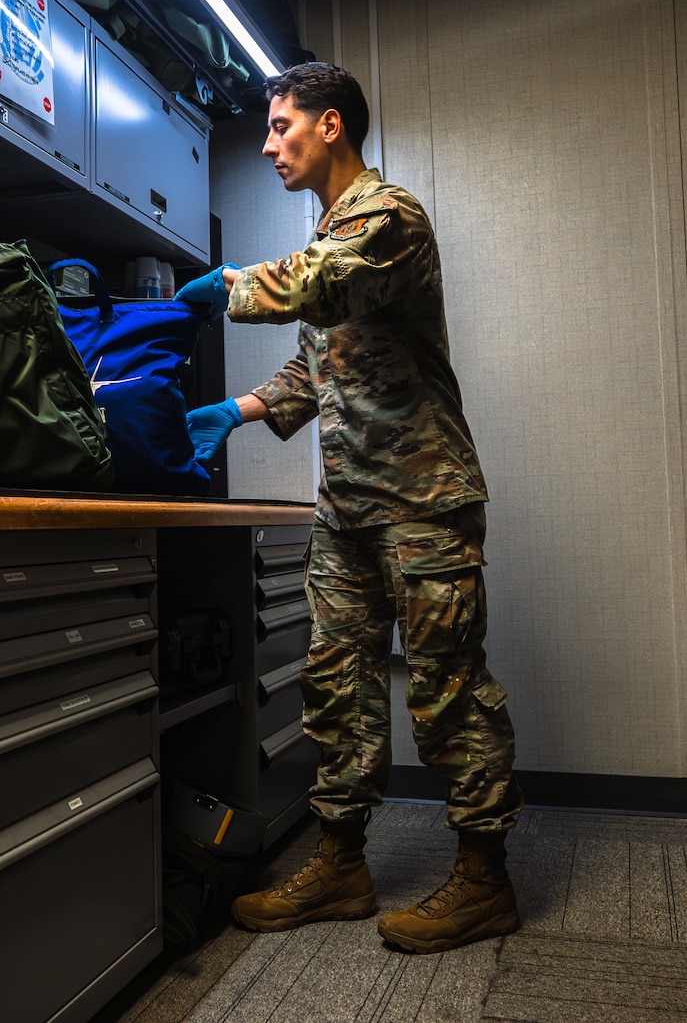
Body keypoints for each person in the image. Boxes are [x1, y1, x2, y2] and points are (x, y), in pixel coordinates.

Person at [176, 63, 522, 955]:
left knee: (448, 692)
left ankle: (484, 881)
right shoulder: (330, 235)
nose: (266, 144)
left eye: (281, 125)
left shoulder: (387, 219)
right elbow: (317, 367)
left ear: (331, 125)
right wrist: (236, 412)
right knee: (337, 687)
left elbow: (318, 285)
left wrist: (232, 287)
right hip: (349, 508)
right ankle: (341, 865)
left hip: (425, 502)